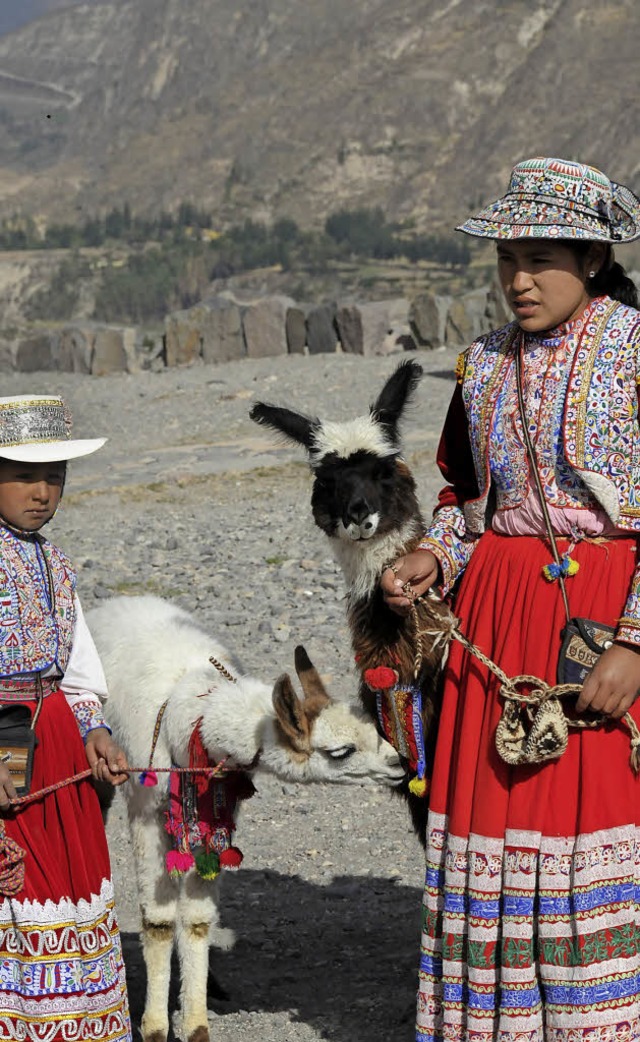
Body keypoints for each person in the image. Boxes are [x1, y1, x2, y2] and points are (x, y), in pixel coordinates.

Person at [380, 157, 640, 1042]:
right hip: (495, 629)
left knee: (590, 834)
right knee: (494, 826)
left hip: (603, 620)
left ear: (596, 259)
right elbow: (466, 501)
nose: (519, 280)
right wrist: (431, 559)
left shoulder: (635, 353)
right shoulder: (481, 366)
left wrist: (635, 646)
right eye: (506, 259)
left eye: (542, 258)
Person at [0, 394, 132, 1040]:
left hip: (58, 759)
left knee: (72, 893)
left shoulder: (56, 565)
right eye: (25, 476)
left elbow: (77, 672)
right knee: (20, 895)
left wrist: (96, 732)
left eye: (55, 477)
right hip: (8, 760)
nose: (42, 493)